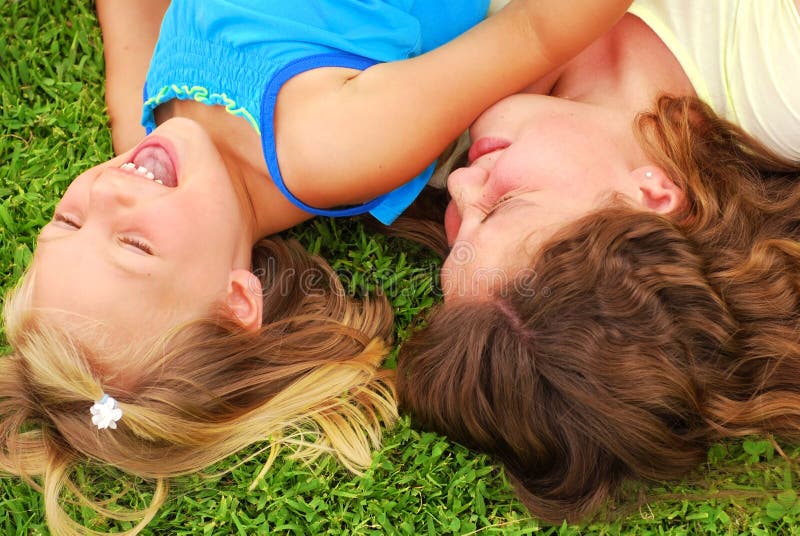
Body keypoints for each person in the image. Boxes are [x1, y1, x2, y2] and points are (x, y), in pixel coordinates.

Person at [0, 0, 634, 533]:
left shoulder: (145, 142)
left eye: (68, 223)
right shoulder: (331, 147)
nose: (107, 195)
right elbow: (536, 32)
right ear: (235, 301)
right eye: (135, 247)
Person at [396, 0, 800, 524]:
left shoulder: (416, 121)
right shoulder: (779, 81)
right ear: (651, 200)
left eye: (459, 245)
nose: (458, 185)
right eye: (503, 204)